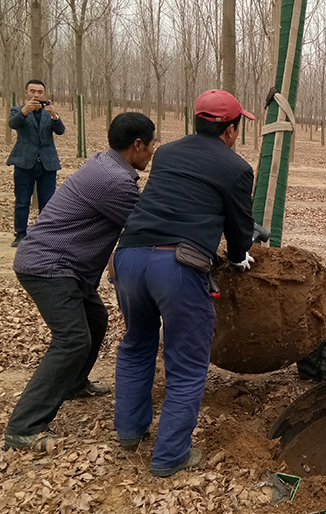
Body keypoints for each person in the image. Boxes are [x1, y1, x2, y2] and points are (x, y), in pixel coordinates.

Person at [112, 89, 256, 477]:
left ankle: (129, 430)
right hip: (176, 266)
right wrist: (241, 255)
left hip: (128, 257)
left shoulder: (167, 153)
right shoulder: (237, 168)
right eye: (238, 126)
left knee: (136, 342)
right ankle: (171, 455)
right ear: (230, 129)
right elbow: (240, 227)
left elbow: (179, 199)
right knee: (187, 364)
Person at [5, 112, 157, 450]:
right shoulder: (115, 181)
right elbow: (147, 225)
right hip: (51, 266)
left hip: (65, 266)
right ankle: (24, 426)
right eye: (151, 146)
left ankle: (74, 383)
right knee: (72, 340)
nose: (151, 152)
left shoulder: (107, 163)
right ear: (136, 145)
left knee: (95, 319)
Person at [7, 79, 66, 247]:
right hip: (25, 161)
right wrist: (25, 111)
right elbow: (13, 124)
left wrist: (55, 116)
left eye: (40, 92)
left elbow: (60, 131)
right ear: (26, 93)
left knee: (47, 201)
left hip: (48, 162)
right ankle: (20, 234)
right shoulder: (18, 110)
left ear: (44, 94)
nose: (36, 95)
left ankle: (44, 234)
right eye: (32, 91)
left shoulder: (49, 112)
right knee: (22, 200)